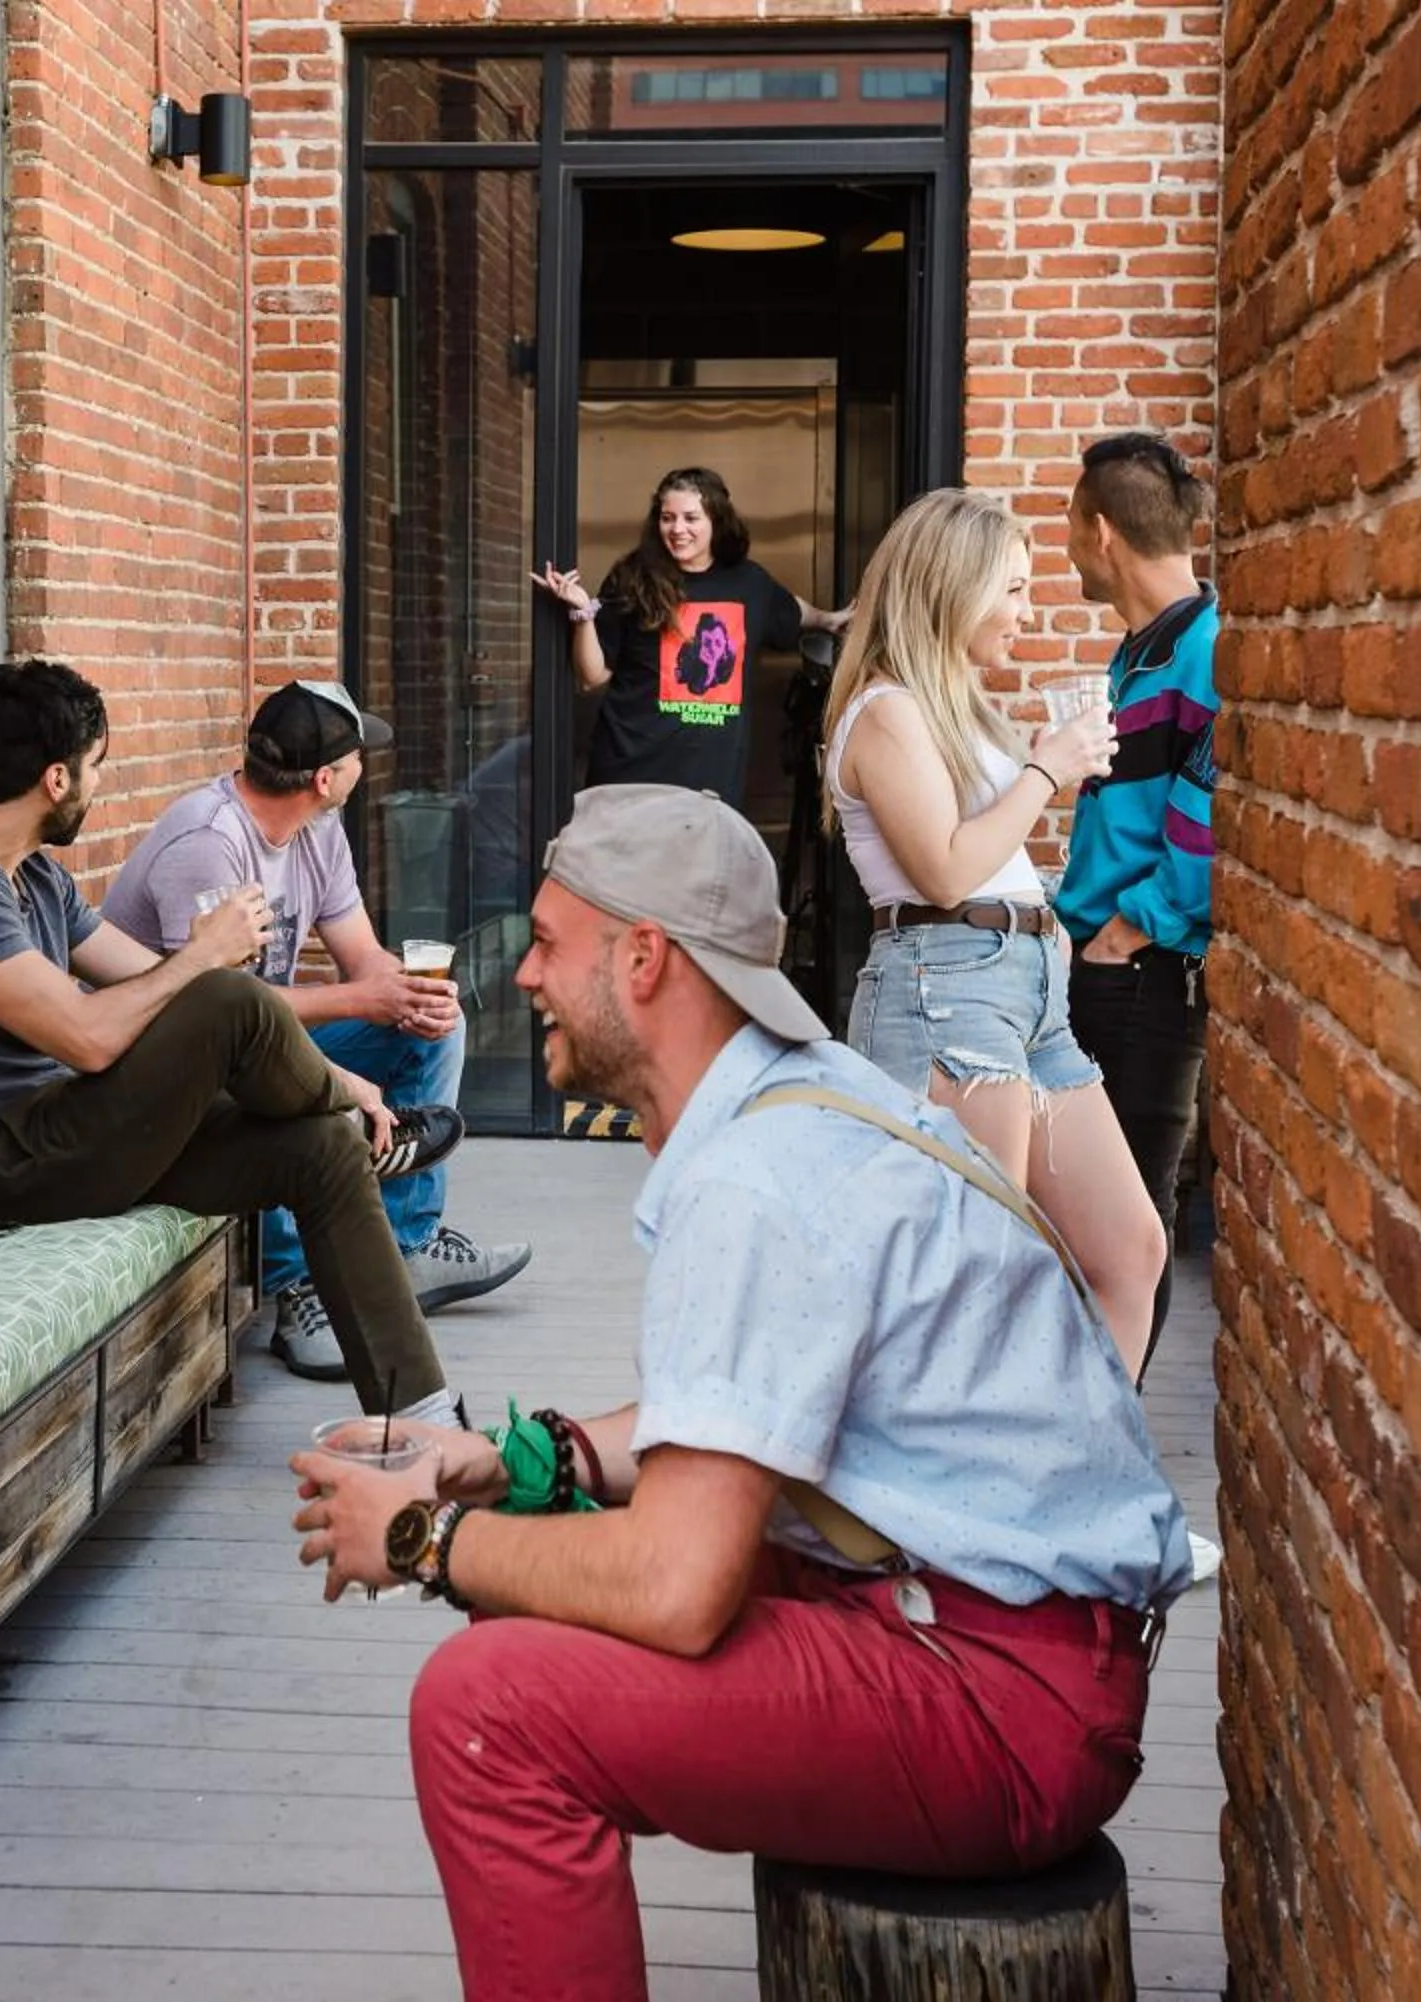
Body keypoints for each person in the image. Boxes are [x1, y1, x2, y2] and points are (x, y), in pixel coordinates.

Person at [285, 785, 1193, 2002]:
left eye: (548, 942)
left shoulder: (758, 1177)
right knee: (533, 1586)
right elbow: (744, 1407)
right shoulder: (792, 1107)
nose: (526, 976)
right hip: (998, 1633)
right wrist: (517, 1461)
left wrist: (421, 1535)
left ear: (644, 958)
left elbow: (677, 1585)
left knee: (484, 1708)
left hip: (1005, 1697)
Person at [0, 659, 469, 1425]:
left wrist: (212, 974)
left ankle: (423, 1420)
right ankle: (349, 1106)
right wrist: (211, 959)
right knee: (230, 997)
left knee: (320, 1148)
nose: (97, 784)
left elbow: (146, 977)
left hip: (62, 1134)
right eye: (94, 768)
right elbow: (87, 1038)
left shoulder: (37, 880)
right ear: (56, 779)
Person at [819, 486, 1170, 1374]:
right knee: (979, 1278)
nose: (1028, 611)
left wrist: (1044, 906)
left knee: (1129, 1251)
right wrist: (1046, 772)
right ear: (953, 586)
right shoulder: (886, 709)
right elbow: (943, 871)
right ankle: (965, 1459)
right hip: (947, 988)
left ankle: (1082, 1457)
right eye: (1012, 589)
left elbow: (989, 858)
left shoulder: (957, 705)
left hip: (1025, 995)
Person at [101, 682, 532, 1378]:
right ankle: (298, 1283)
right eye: (360, 754)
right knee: (269, 1070)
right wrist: (362, 999)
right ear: (325, 778)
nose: (369, 763)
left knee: (431, 1026)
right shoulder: (208, 844)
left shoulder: (318, 829)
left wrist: (404, 994)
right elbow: (215, 1011)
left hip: (252, 1032)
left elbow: (360, 955)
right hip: (167, 1062)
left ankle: (405, 1245)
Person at [1056, 432, 1219, 1368]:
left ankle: (1106, 1432)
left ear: (1103, 533)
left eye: (1071, 526)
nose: (1069, 547)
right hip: (1106, 967)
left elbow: (1208, 822)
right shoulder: (1142, 653)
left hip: (1142, 976)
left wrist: (1129, 930)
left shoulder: (1204, 649)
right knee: (1090, 1223)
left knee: (1128, 1227)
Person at [530, 466, 842, 802]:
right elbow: (592, 676)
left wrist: (828, 620)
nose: (678, 529)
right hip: (630, 776)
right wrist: (582, 614)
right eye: (668, 518)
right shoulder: (632, 578)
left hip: (711, 786)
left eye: (691, 518)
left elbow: (789, 608)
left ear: (716, 520)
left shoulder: (750, 583)